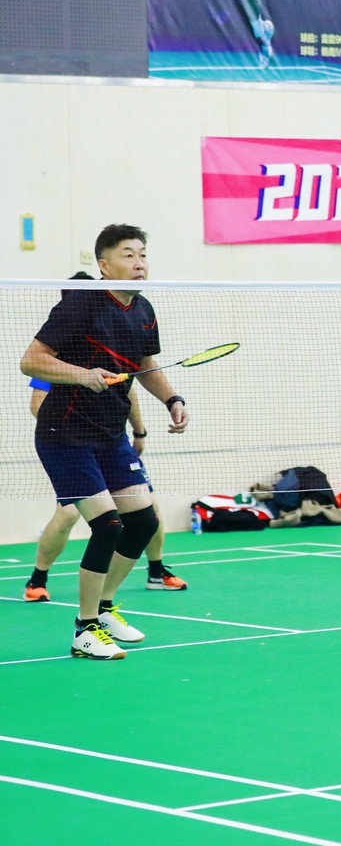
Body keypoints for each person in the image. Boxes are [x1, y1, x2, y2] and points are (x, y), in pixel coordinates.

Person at [21, 225, 191, 660]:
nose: (139, 263)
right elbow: (31, 361)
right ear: (104, 265)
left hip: (110, 435)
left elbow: (145, 364)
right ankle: (85, 628)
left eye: (143, 255)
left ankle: (104, 606)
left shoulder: (143, 309)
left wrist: (172, 399)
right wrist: (83, 375)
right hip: (66, 434)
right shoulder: (82, 303)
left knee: (143, 522)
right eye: (128, 255)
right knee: (108, 525)